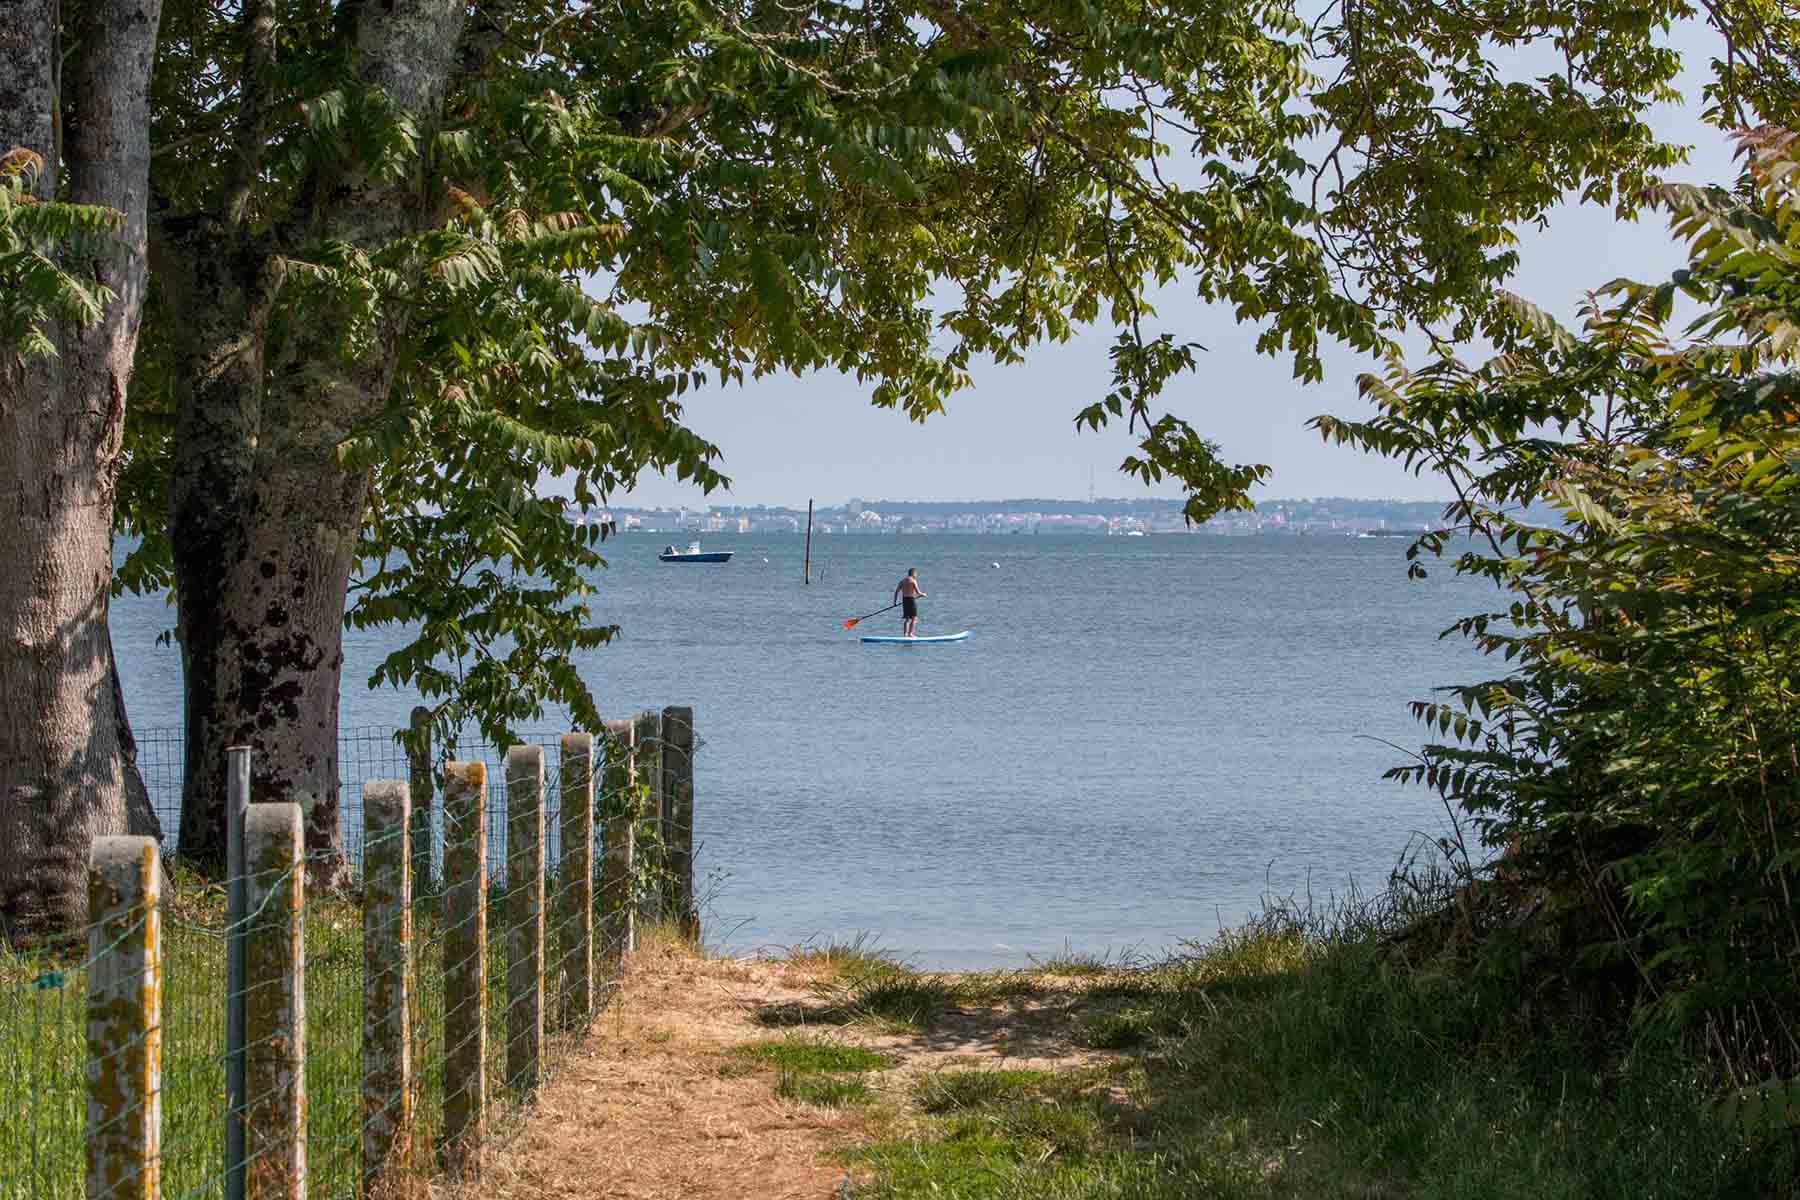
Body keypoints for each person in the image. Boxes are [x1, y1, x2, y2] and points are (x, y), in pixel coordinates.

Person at [893, 567, 926, 637]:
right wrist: (923, 594)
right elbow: (918, 592)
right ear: (914, 573)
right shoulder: (913, 581)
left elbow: (896, 592)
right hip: (911, 600)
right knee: (914, 618)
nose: (916, 575)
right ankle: (911, 634)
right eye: (916, 574)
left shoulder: (902, 581)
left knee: (907, 618)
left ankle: (905, 634)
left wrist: (895, 602)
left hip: (904, 600)